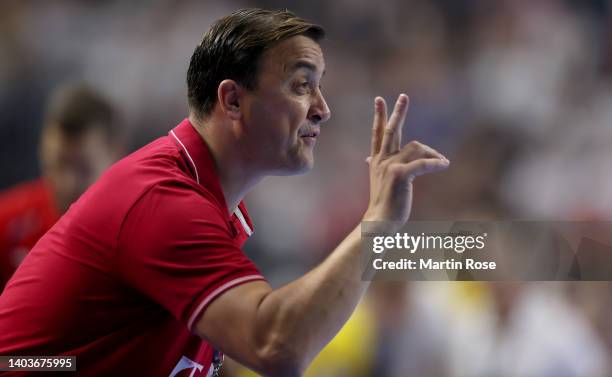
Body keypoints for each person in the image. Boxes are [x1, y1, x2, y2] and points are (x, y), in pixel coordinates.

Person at [0, 8, 449, 377]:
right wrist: (378, 226)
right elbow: (277, 346)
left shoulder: (211, 206)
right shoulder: (162, 200)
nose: (323, 109)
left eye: (321, 85)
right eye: (301, 85)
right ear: (232, 100)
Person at [0, 82, 118, 290]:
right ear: (42, 149)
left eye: (83, 168)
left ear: (115, 154)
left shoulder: (139, 234)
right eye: (58, 164)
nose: (67, 183)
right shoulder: (7, 222)